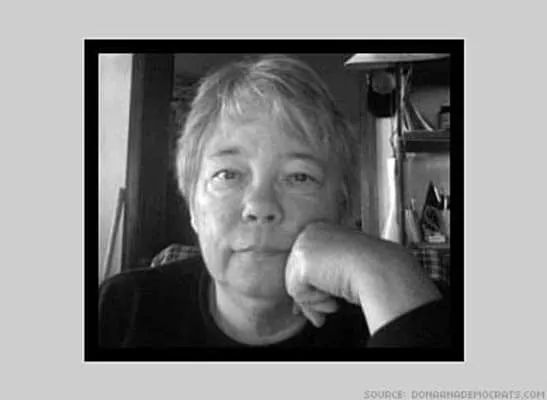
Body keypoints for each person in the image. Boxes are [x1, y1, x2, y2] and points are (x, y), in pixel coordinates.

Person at [98, 54, 450, 349]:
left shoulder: (405, 309)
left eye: (299, 177)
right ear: (192, 205)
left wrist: (384, 272)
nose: (260, 206)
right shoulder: (120, 311)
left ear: (342, 207)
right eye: (228, 174)